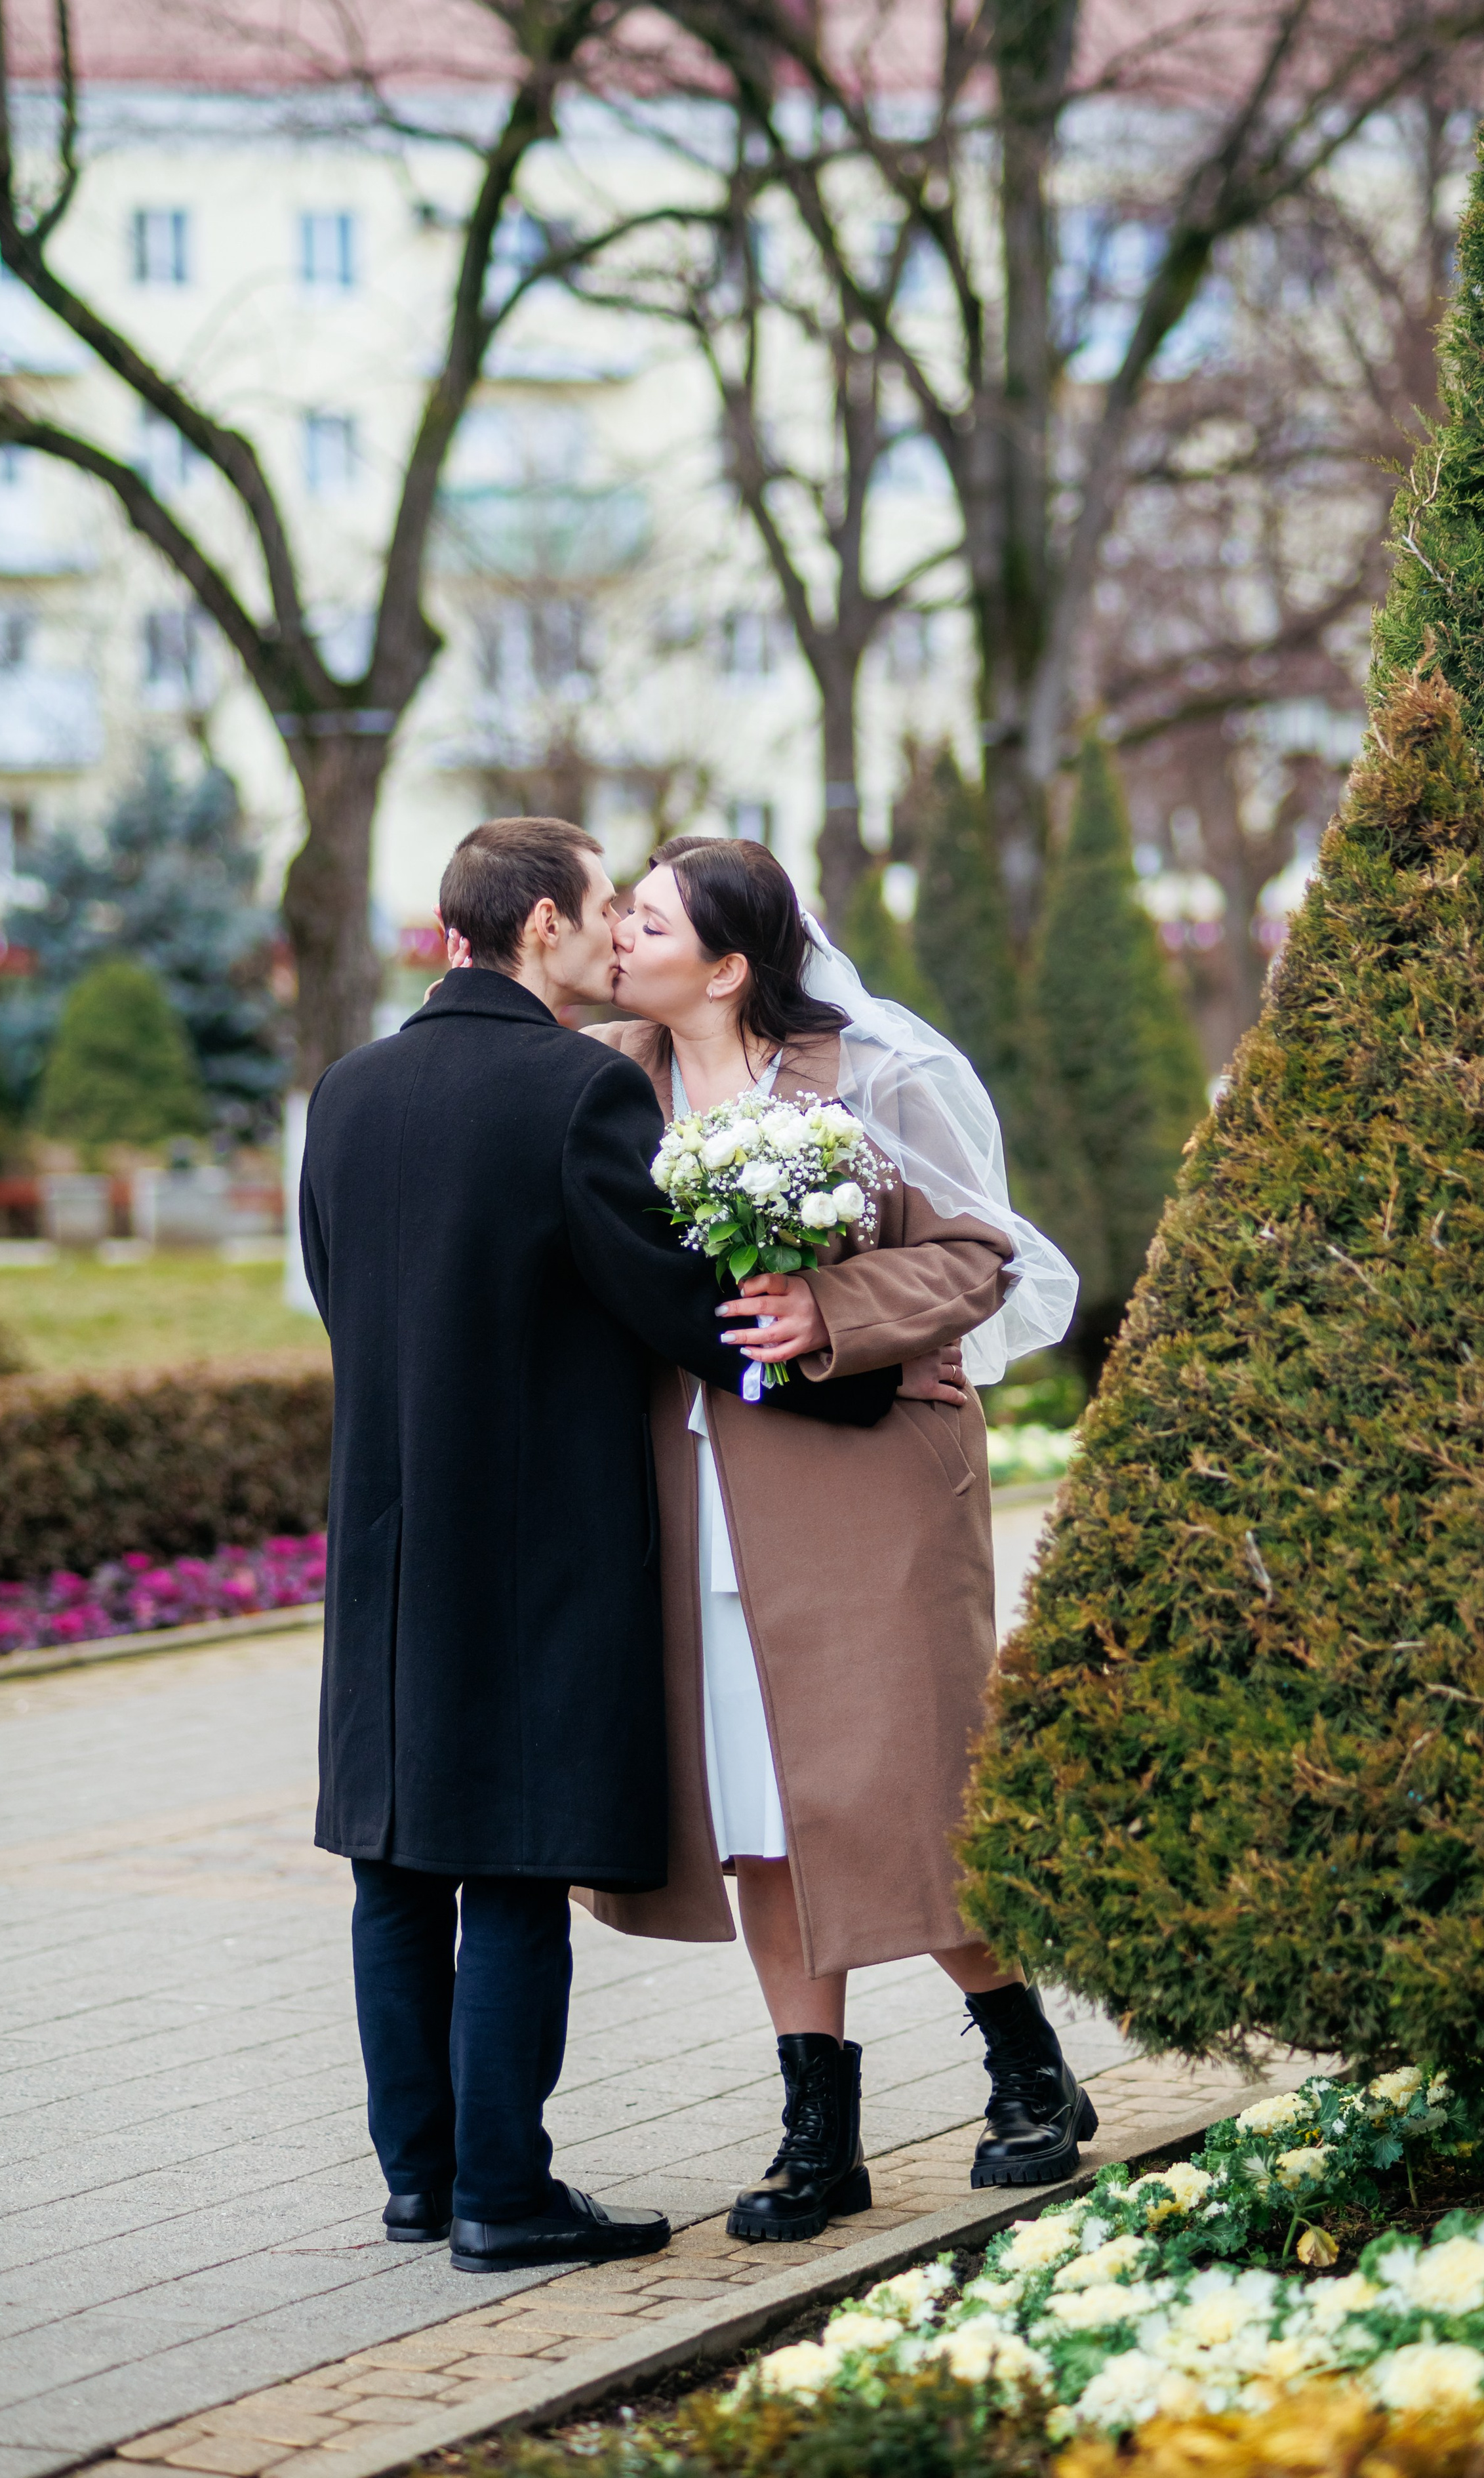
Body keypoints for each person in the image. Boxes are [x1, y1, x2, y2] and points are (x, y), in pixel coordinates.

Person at [299, 817, 897, 2276]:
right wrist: (850, 1376)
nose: (613, 931)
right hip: (533, 1542)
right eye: (599, 906)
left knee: (394, 1865)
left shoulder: (349, 1089)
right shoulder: (577, 1090)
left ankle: (420, 2182)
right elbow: (672, 1297)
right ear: (542, 926)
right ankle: (505, 2194)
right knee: (512, 1862)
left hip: (381, 1535)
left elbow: (335, 1285)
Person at [581, 835, 1096, 2243]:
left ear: (727, 966)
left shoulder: (870, 1075)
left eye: (648, 922)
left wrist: (830, 1309)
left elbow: (978, 1255)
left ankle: (1027, 2067)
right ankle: (819, 2135)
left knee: (901, 1794)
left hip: (871, 1492)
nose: (619, 936)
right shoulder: (609, 1086)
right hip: (692, 1496)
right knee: (761, 1817)